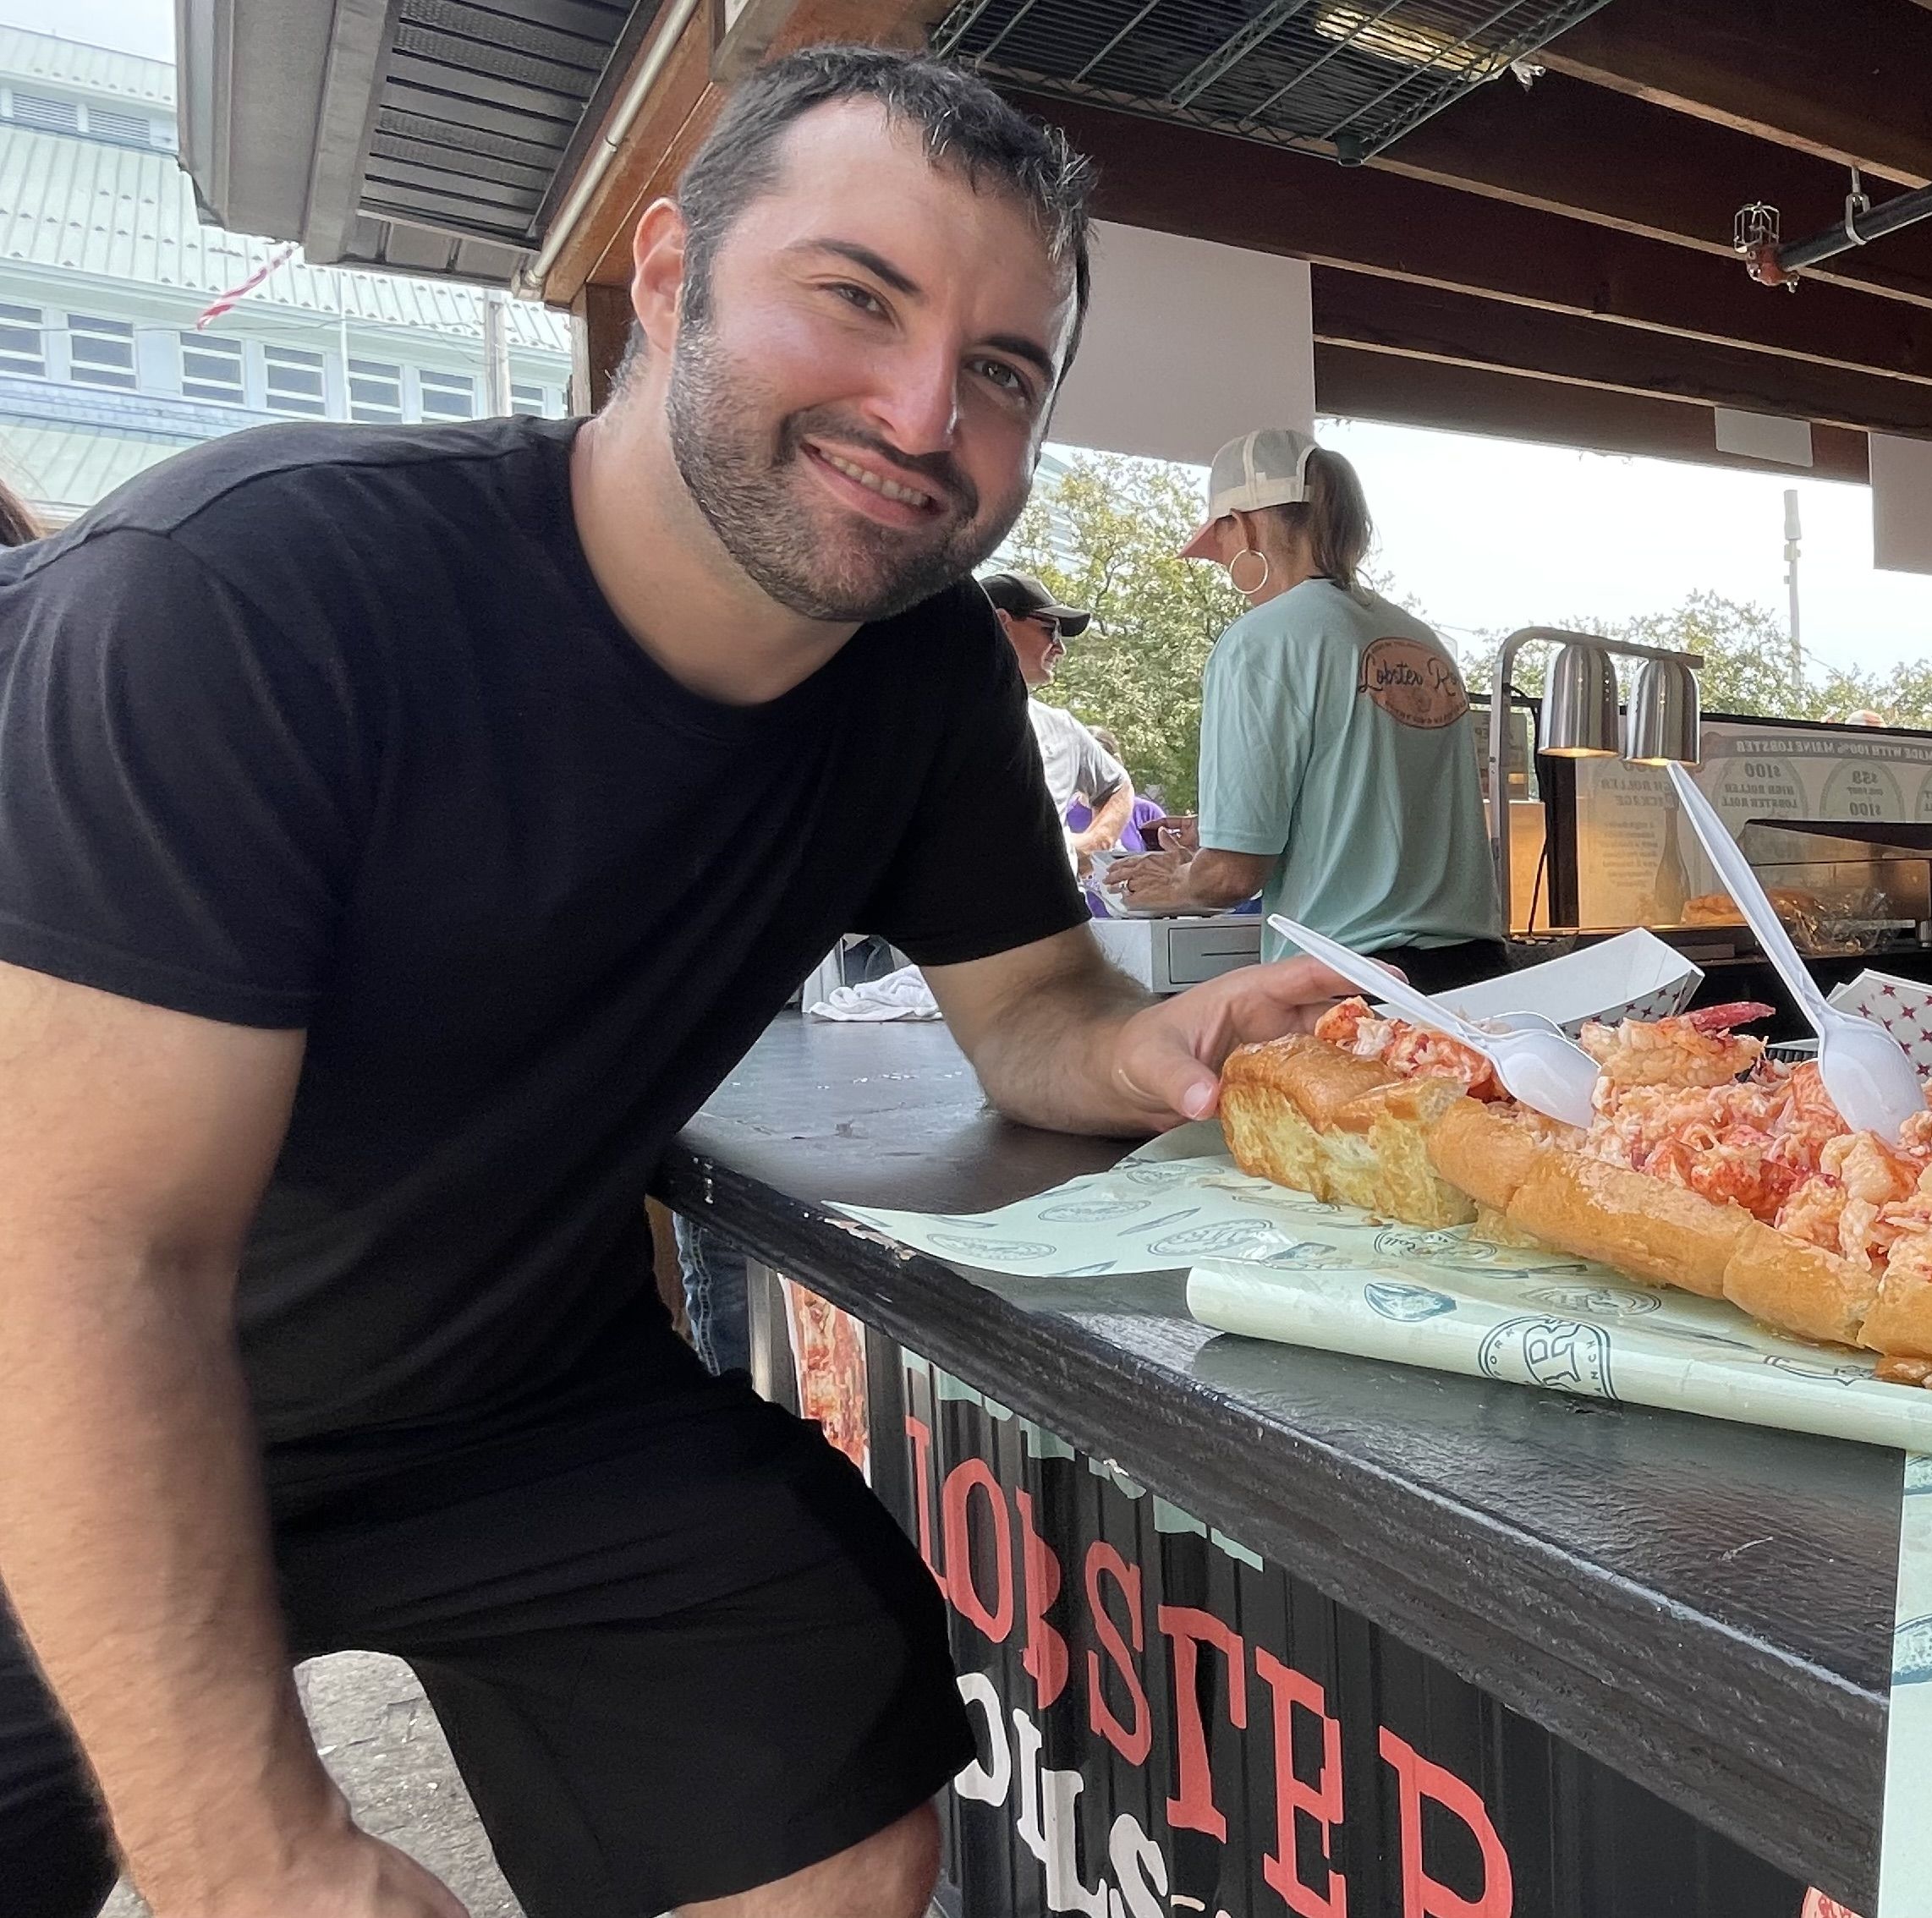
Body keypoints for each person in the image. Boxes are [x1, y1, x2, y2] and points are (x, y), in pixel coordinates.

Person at [0, 47, 1343, 1918]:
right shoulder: (247, 597)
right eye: (855, 298)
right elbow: (86, 1261)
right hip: (50, 1389)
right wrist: (255, 1856)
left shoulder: (924, 670)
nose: (919, 406)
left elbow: (1031, 1014)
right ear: (666, 277)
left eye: (1004, 371)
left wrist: (1148, 1047)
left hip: (494, 1394)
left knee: (834, 1798)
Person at [1103, 427, 1507, 990]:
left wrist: (1175, 883)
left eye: (1219, 548)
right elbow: (1377, 812)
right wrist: (1217, 833)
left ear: (1240, 527)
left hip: (1353, 987)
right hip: (1480, 977)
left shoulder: (1260, 641)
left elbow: (1231, 876)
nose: (1223, 567)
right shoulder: (1422, 640)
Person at [981, 567, 1133, 874]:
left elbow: (1118, 786)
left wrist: (1089, 846)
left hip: (1053, 917)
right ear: (1001, 624)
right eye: (1050, 629)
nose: (1060, 647)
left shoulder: (1061, 728)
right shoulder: (926, 720)